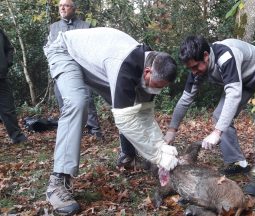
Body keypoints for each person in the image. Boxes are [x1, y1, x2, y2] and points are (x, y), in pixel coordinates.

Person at [43, 27, 178, 215]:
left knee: (134, 103)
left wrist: (160, 146)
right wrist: (157, 156)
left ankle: (127, 156)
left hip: (95, 62)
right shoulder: (125, 65)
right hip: (65, 51)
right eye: (157, 86)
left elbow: (145, 113)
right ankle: (58, 182)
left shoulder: (151, 63)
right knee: (78, 102)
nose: (158, 91)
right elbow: (124, 119)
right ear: (147, 72)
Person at [164, 36, 255, 196]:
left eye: (195, 66)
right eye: (190, 68)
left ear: (206, 56)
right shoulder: (196, 71)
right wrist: (172, 129)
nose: (194, 72)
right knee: (219, 114)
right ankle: (237, 162)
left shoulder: (225, 56)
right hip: (245, 81)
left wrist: (217, 132)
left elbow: (233, 94)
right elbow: (185, 99)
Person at [46, 0, 103, 139]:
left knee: (86, 98)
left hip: (81, 69)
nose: (62, 8)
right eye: (60, 6)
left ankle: (94, 130)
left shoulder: (85, 26)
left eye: (66, 5)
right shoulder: (53, 27)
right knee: (62, 99)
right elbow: (49, 47)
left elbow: (92, 49)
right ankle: (72, 131)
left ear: (73, 9)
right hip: (61, 69)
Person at [0, 28, 27, 144]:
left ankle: (17, 136)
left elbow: (9, 48)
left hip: (1, 77)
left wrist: (7, 63)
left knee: (8, 108)